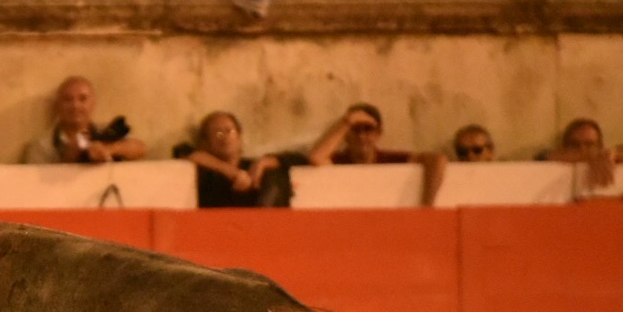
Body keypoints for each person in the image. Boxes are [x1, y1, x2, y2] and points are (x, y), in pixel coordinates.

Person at [308, 102, 446, 205]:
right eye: (356, 129)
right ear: (346, 135)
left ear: (378, 133)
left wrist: (427, 207)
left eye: (368, 129)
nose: (361, 136)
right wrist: (346, 122)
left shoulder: (389, 159)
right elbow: (315, 157)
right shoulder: (340, 159)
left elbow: (437, 160)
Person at [173, 110, 297, 208]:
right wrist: (232, 173)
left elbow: (298, 159)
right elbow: (185, 153)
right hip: (217, 231)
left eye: (230, 131)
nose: (225, 138)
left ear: (239, 137)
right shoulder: (206, 171)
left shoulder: (252, 167)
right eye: (218, 134)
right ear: (205, 143)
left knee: (275, 177)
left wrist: (262, 163)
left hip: (259, 229)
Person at [23, 75, 148, 165]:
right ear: (57, 106)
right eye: (67, 100)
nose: (75, 106)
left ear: (93, 103)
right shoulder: (42, 146)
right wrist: (70, 156)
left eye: (83, 99)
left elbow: (140, 148)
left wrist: (108, 149)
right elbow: (37, 188)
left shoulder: (104, 130)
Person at [536, 116, 623, 191]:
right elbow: (542, 158)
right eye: (574, 145)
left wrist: (612, 154)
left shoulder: (608, 156)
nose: (582, 149)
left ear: (600, 146)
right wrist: (590, 156)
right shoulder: (553, 158)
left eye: (589, 144)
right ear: (564, 147)